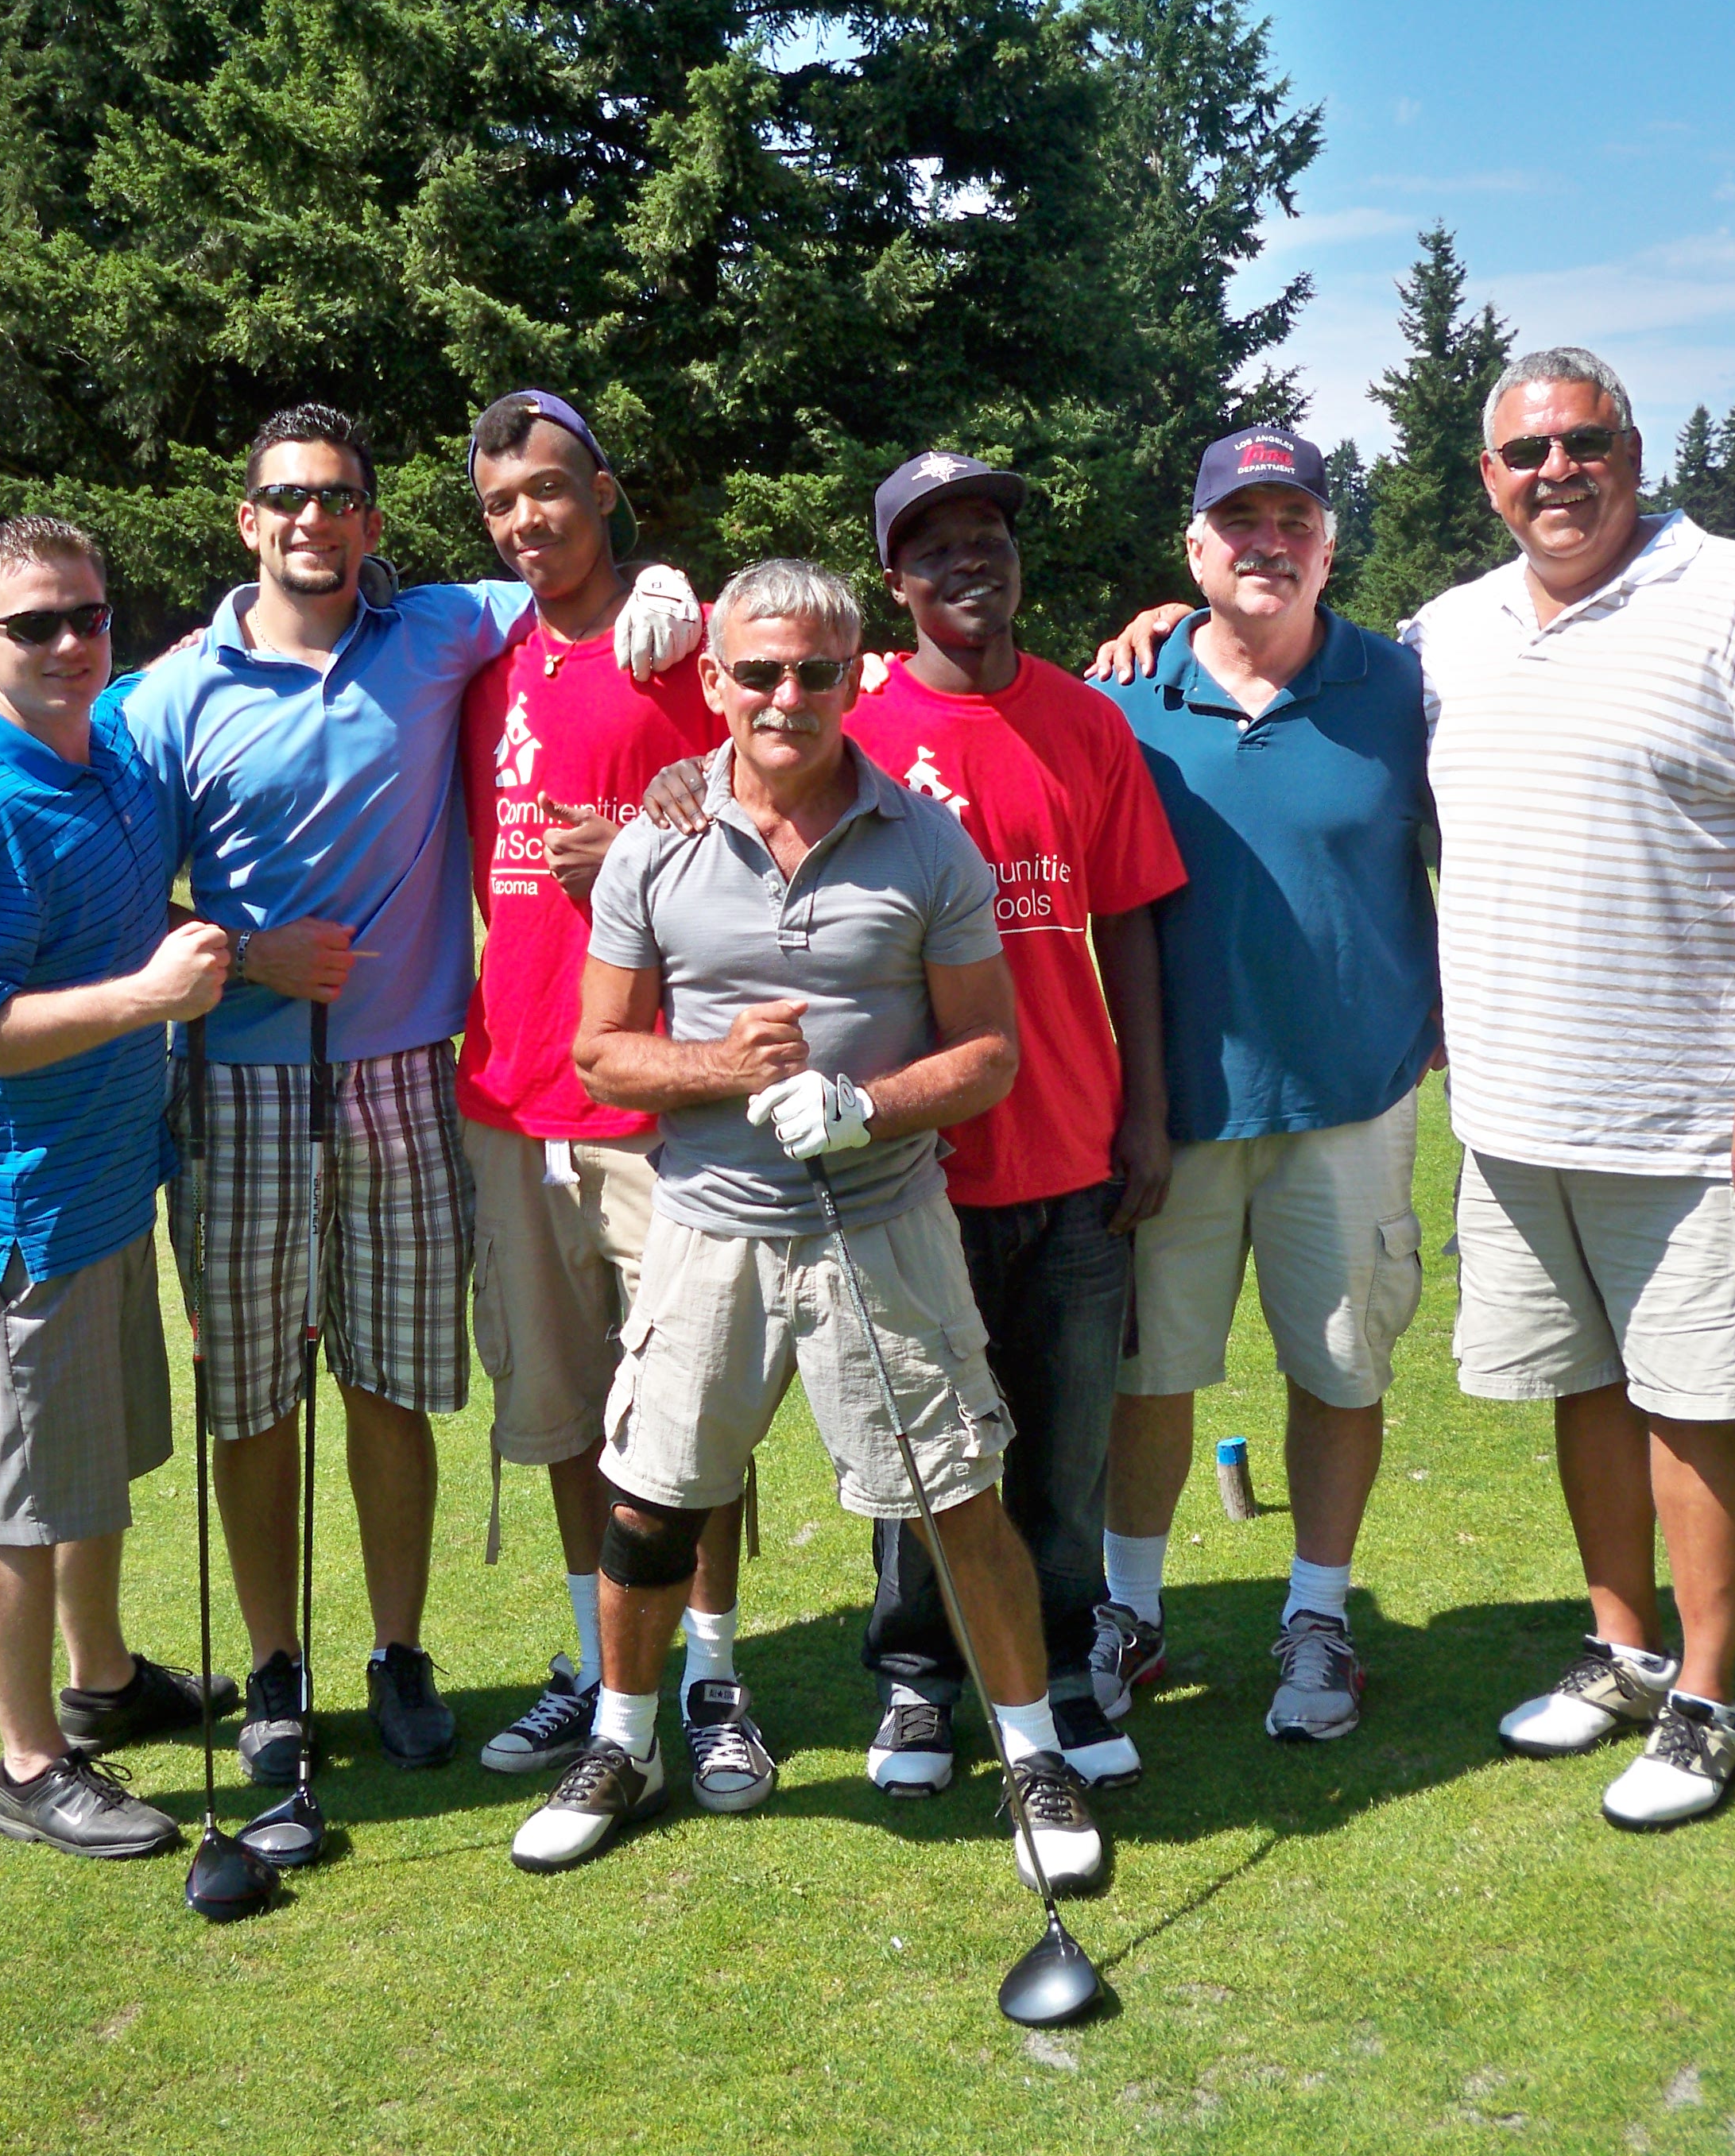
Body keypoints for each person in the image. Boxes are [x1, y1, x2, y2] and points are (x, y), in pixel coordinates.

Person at [121, 404, 699, 1785]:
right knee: (253, 1398)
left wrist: (675, 579)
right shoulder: (166, 693)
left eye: (337, 500)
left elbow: (591, 581)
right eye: (285, 499)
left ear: (372, 524)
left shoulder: (443, 629)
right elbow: (91, 868)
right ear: (247, 520)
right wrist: (240, 952)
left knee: (389, 1384)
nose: (311, 522)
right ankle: (274, 1668)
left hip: (409, 1079)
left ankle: (397, 1649)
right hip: (239, 1080)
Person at [510, 557, 1105, 1894]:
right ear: (712, 680)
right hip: (707, 1229)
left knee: (958, 1498)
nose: (789, 697)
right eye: (759, 672)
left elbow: (992, 1055)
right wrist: (728, 1070)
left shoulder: (925, 842)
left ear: (856, 678)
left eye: (817, 671)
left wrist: (863, 1107)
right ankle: (624, 1744)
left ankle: (1029, 1755)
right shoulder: (655, 841)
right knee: (653, 1505)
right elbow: (602, 1057)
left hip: (883, 1225)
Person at [1405, 347, 1735, 1829]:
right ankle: (1620, 1652)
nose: (1558, 472)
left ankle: (1704, 1702)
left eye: (1585, 442)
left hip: (1697, 1114)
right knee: (1587, 1389)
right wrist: (1172, 620)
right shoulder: (1448, 631)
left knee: (1697, 1401)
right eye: (1526, 454)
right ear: (1485, 478)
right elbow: (1286, 669)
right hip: (1512, 1107)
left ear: (1633, 451)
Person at [1079, 427, 1441, 1746]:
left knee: (1341, 1372)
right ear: (1193, 549)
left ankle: (1319, 1616)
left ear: (1330, 544)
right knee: (1149, 1379)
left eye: (1293, 522)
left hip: (1352, 1102)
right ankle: (1129, 1612)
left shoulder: (1401, 687)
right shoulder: (1120, 695)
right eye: (1240, 524)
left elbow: (1485, 850)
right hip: (1169, 1114)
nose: (1267, 546)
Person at [839, 453, 1187, 1800]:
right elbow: (736, 768)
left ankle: (1056, 1656)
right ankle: (922, 1680)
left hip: (1073, 1152)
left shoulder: (1089, 724)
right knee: (923, 1439)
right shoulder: (854, 723)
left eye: (988, 537)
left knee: (1064, 1438)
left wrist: (1144, 1117)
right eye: (934, 549)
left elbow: (1134, 923)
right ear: (895, 581)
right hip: (915, 1161)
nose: (968, 563)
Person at [0, 516, 237, 1856]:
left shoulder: (110, 751)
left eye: (87, 616)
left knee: (93, 1468)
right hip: (11, 1220)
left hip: (101, 1192)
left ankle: (103, 1685)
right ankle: (30, 1766)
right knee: (22, 1503)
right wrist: (141, 998)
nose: (69, 643)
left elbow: (177, 664)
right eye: (35, 626)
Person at [455, 390, 762, 1806]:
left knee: (686, 1412)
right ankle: (596, 1662)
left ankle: (711, 1675)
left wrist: (642, 843)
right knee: (568, 1411)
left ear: (607, 489)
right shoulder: (473, 652)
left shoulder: (681, 651)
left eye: (552, 491)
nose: (529, 520)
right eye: (503, 501)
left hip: (654, 1103)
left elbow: (799, 770)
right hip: (514, 1099)